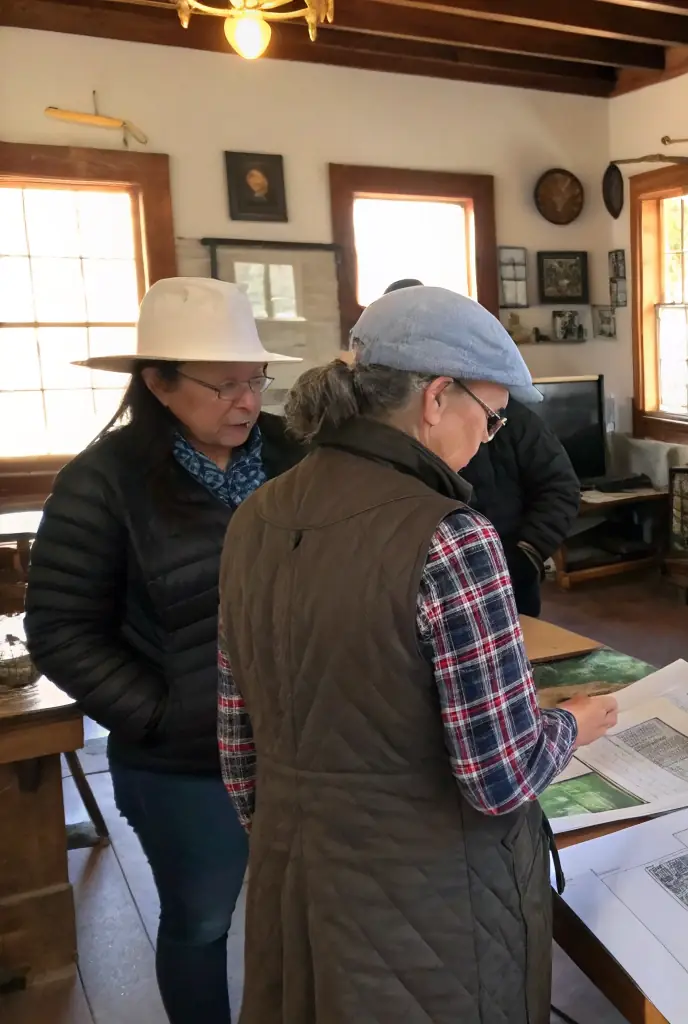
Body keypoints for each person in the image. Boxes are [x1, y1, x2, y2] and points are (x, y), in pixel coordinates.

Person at [215, 285, 618, 1024]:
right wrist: (573, 724)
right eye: (490, 418)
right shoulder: (450, 537)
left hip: (293, 883)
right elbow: (497, 779)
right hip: (436, 904)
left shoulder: (256, 516)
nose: (488, 438)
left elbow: (241, 754)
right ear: (436, 398)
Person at [24, 277, 306, 1024]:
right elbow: (59, 627)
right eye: (225, 386)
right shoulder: (103, 481)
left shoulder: (295, 457)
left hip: (306, 743)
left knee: (303, 915)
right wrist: (162, 714)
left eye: (255, 380)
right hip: (184, 762)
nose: (247, 401)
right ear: (158, 383)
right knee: (201, 921)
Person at [383, 279, 578, 616]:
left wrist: (527, 553)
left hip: (508, 577)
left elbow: (559, 485)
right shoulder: (379, 429)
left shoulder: (507, 413)